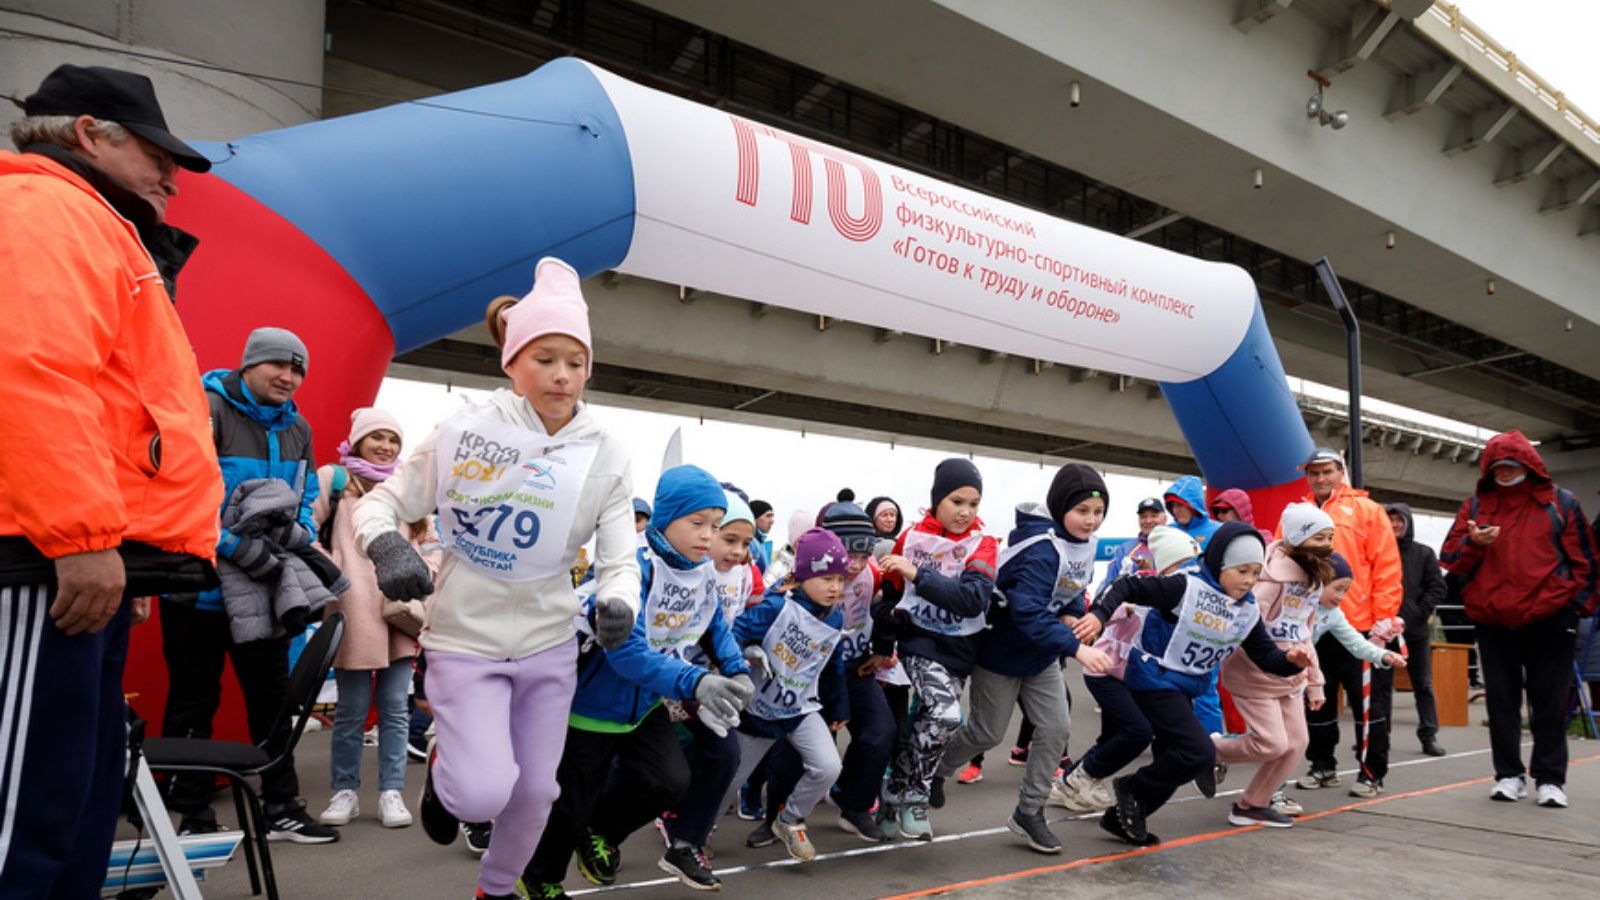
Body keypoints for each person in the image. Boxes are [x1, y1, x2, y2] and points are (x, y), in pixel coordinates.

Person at [0, 63, 221, 898]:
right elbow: (30, 372)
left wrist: (122, 545)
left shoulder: (90, 223)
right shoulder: (46, 209)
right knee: (27, 817)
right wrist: (84, 539)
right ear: (90, 133)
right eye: (159, 153)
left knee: (72, 802)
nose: (172, 176)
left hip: (68, 555)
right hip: (38, 558)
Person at [356, 257, 642, 899]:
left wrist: (620, 599)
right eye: (544, 358)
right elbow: (383, 502)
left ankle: (494, 889)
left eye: (575, 360)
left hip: (548, 644)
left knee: (538, 790)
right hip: (465, 639)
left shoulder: (607, 453)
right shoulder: (464, 433)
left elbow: (621, 557)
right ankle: (450, 778)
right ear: (511, 363)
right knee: (484, 789)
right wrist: (384, 545)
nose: (562, 375)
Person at [520, 465, 752, 898]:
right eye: (697, 523)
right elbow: (625, 652)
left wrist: (737, 670)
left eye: (715, 526)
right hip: (590, 708)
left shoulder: (701, 572)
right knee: (568, 806)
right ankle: (540, 879)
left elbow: (714, 626)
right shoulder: (629, 567)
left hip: (645, 703)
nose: (707, 536)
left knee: (668, 780)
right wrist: (696, 682)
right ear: (666, 518)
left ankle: (601, 831)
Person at [160, 326, 342, 843]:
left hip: (264, 590)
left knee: (272, 700)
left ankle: (280, 806)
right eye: (277, 366)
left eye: (298, 369)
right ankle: (191, 811)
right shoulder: (206, 410)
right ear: (248, 365)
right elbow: (183, 497)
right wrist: (236, 547)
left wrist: (294, 536)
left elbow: (302, 500)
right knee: (194, 701)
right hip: (196, 588)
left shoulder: (299, 428)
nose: (288, 377)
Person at [1074, 523, 1311, 846]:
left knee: (1174, 758)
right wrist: (1099, 614)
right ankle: (1131, 788)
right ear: (1219, 565)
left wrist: (1290, 663)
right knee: (1198, 753)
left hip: (1183, 686)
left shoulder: (1247, 610)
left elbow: (1266, 657)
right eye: (1241, 570)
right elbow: (1128, 586)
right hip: (1152, 678)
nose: (1249, 581)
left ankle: (1122, 817)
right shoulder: (1184, 588)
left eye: (1256, 573)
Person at [934, 465, 1114, 853]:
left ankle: (1028, 812)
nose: (1091, 520)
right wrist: (1077, 647)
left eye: (1098, 512)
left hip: (1041, 655)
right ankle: (935, 771)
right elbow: (1026, 612)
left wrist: (1072, 612)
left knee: (1055, 728)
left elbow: (1069, 589)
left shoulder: (1084, 545)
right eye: (1082, 510)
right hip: (1000, 653)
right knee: (987, 733)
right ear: (1061, 507)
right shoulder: (1040, 551)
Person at [1440, 431, 1597, 809]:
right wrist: (1474, 545)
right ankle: (1508, 776)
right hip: (1494, 619)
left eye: (1511, 465)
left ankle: (1550, 779)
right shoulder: (1475, 507)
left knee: (1551, 701)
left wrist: (1574, 608)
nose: (1504, 472)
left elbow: (1588, 563)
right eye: (1497, 466)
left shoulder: (1562, 504)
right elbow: (1450, 558)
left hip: (1551, 617)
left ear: (1529, 465)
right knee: (1501, 701)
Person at [314, 408, 437, 829]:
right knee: (350, 709)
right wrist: (334, 569)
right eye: (377, 438)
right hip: (351, 607)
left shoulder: (409, 487)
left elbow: (433, 543)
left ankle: (391, 793)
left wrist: (422, 571)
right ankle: (344, 791)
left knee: (395, 710)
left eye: (394, 440)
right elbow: (304, 531)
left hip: (400, 611)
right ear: (359, 439)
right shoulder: (333, 480)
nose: (386, 447)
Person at [874, 459, 998, 841]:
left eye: (973, 504)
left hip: (959, 650)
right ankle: (916, 794)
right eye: (956, 501)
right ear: (936, 499)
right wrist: (882, 644)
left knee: (931, 722)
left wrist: (918, 574)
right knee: (947, 716)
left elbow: (972, 600)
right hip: (919, 644)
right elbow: (889, 598)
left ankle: (894, 787)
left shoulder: (984, 543)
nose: (965, 512)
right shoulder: (909, 539)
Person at [720, 528, 853, 863]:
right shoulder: (775, 607)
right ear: (803, 574)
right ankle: (694, 831)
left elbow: (833, 661)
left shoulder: (835, 618)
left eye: (840, 579)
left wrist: (839, 704)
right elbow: (733, 635)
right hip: (757, 712)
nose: (835, 587)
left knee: (827, 766)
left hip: (799, 709)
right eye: (826, 578)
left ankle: (789, 820)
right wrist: (742, 659)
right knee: (728, 781)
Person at [1053, 525, 1198, 816]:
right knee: (1138, 730)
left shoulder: (1180, 593)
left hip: (1128, 674)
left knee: (1112, 736)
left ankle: (1068, 784)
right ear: (1168, 562)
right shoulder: (1145, 584)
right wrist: (1125, 608)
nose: (1190, 570)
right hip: (1104, 669)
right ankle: (1084, 777)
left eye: (1192, 563)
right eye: (1183, 564)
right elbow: (1108, 603)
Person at [658, 488, 761, 890]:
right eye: (727, 538)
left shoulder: (738, 574)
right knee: (656, 768)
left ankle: (687, 841)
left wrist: (739, 661)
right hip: (666, 677)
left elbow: (723, 628)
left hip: (706, 681)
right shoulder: (673, 569)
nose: (736, 551)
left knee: (723, 753)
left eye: (744, 543)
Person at [1212, 504, 1336, 829]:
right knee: (1271, 743)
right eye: (1319, 537)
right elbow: (1244, 623)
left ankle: (1251, 804)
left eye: (1330, 537)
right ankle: (1203, 750)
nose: (1327, 544)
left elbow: (1304, 633)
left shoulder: (1314, 582)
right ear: (1298, 538)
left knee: (1296, 744)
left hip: (1292, 677)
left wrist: (1314, 682)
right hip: (1254, 674)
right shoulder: (1271, 578)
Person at [1295, 447, 1403, 798]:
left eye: (1327, 471)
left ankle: (1372, 772)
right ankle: (1322, 764)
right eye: (1314, 472)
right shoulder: (1299, 512)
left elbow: (1386, 565)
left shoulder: (1368, 511)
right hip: (1314, 623)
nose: (1321, 478)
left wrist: (1385, 617)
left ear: (1341, 472)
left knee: (1368, 704)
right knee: (1318, 698)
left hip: (1359, 623)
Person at [1387, 503, 1448, 757]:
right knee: (1380, 688)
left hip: (1415, 631)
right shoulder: (1376, 552)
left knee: (1422, 684)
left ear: (1408, 522)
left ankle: (1429, 736)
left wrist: (1419, 612)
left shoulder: (1424, 553)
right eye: (1389, 520)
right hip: (1382, 631)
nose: (1394, 525)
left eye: (1398, 520)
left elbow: (1438, 588)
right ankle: (1377, 735)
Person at [1098, 498, 1167, 594]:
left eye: (1154, 516)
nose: (1148, 521)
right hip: (1130, 605)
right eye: (1143, 517)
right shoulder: (1125, 549)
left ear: (1165, 519)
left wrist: (1150, 574)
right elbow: (1109, 584)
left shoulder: (1175, 545)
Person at [1162, 475, 1220, 549]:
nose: (1175, 510)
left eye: (1180, 505)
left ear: (1194, 506)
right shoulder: (1167, 532)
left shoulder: (1218, 531)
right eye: (1172, 506)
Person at [748, 499, 776, 572]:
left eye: (772, 516)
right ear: (754, 518)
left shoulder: (761, 543)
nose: (772, 521)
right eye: (768, 516)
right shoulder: (749, 542)